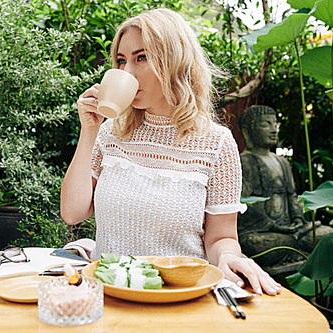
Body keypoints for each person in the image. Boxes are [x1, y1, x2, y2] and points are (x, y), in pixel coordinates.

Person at [60, 8, 281, 296]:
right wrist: (89, 131)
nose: (126, 72)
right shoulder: (109, 132)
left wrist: (228, 257)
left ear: (175, 61)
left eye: (141, 57)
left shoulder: (217, 143)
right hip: (109, 295)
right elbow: (73, 213)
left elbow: (221, 238)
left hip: (179, 299)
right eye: (121, 60)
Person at [237, 105, 333, 269]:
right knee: (259, 244)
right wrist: (272, 225)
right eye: (265, 124)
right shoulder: (243, 162)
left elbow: (292, 197)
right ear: (247, 132)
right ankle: (295, 249)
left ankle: (294, 248)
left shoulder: (282, 162)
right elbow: (242, 204)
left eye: (274, 124)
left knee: (328, 235)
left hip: (292, 228)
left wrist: (297, 220)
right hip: (263, 231)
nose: (273, 129)